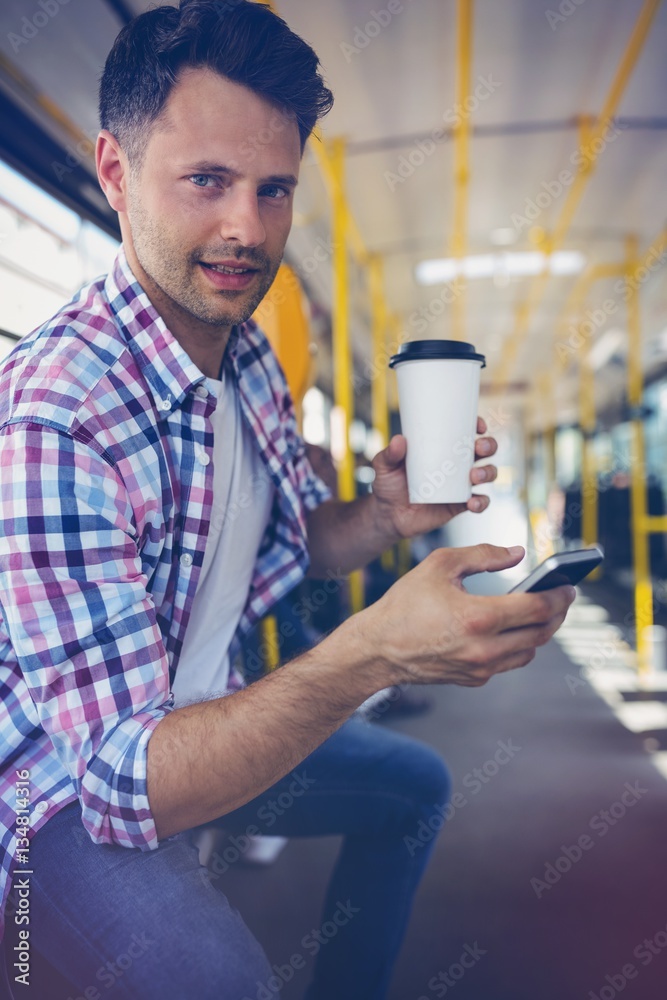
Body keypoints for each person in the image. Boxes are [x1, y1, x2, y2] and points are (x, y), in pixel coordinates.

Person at [0, 2, 576, 998]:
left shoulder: (253, 355)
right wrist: (373, 652)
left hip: (203, 714)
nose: (247, 230)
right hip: (63, 792)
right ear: (113, 172)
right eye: (207, 182)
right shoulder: (57, 416)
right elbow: (126, 782)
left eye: (274, 189)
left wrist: (381, 520)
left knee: (415, 787)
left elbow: (283, 546)